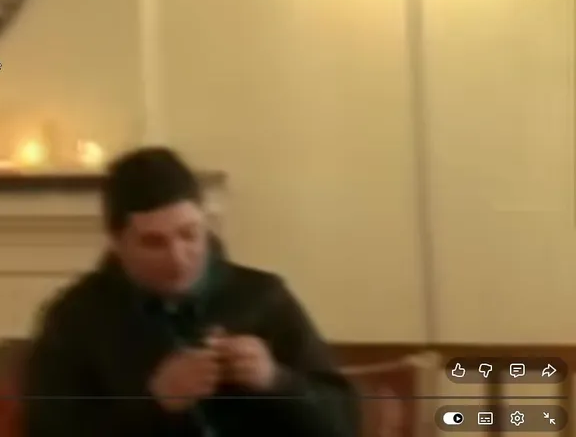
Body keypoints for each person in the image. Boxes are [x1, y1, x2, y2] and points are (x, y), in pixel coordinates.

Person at [22, 147, 360, 437]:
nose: (178, 257)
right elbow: (45, 431)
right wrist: (154, 403)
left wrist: (276, 380)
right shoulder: (76, 317)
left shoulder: (264, 298)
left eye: (189, 234)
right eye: (154, 243)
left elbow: (344, 422)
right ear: (117, 242)